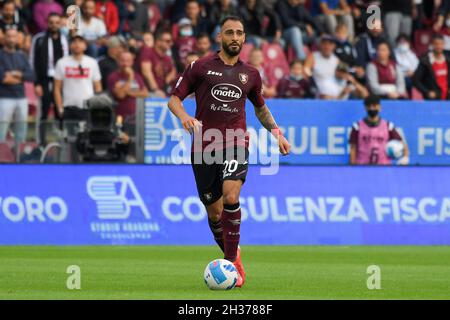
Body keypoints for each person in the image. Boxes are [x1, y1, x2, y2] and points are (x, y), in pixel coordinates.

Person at [167, 16, 291, 288]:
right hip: (203, 145)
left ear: (244, 39)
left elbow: (260, 108)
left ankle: (232, 261)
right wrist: (185, 117)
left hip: (236, 141)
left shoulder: (252, 74)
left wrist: (277, 133)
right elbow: (173, 100)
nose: (235, 37)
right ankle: (232, 256)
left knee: (231, 195)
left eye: (239, 33)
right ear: (220, 37)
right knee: (214, 213)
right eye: (229, 33)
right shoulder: (199, 67)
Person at [30, 13, 69, 146]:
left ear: (60, 24)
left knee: (60, 111)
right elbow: (32, 62)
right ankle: (41, 143)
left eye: (57, 22)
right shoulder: (39, 39)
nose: (54, 25)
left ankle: (62, 142)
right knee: (44, 112)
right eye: (51, 22)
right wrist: (36, 83)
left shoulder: (64, 39)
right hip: (44, 79)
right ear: (47, 23)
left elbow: (67, 61)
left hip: (60, 80)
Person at [54, 35, 102, 124]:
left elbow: (98, 87)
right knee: (68, 137)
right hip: (68, 107)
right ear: (70, 45)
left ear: (85, 46)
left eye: (80, 42)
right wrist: (60, 108)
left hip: (88, 107)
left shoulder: (92, 63)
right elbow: (57, 88)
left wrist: (97, 107)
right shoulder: (61, 63)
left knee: (86, 136)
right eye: (74, 42)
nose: (77, 44)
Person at [349, 95, 409, 165]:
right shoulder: (357, 127)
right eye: (369, 106)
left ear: (380, 107)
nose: (372, 108)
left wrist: (405, 158)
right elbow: (353, 148)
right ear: (365, 108)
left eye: (374, 106)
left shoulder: (388, 126)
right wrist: (352, 167)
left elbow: (402, 145)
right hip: (363, 167)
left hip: (383, 167)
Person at [0, 28, 34, 145]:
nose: (11, 39)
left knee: (21, 132)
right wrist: (20, 77)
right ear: (4, 38)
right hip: (4, 98)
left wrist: (15, 74)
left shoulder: (22, 56)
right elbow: (4, 79)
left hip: (21, 98)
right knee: (1, 131)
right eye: (9, 36)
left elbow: (31, 76)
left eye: (14, 36)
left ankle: (19, 159)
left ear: (17, 39)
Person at [108, 51, 148, 121]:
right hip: (121, 117)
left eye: (128, 61)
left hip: (138, 117)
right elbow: (120, 95)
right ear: (118, 61)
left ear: (132, 62)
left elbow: (145, 93)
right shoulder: (113, 77)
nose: (125, 64)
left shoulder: (137, 77)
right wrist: (130, 77)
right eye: (122, 61)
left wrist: (128, 92)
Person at [136, 30, 177, 97]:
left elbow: (173, 72)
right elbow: (146, 72)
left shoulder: (167, 58)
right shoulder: (147, 51)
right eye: (168, 41)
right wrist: (155, 89)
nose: (171, 43)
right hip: (147, 91)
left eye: (171, 41)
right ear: (158, 42)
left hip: (162, 91)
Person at [413, 34, 450, 100]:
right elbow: (416, 80)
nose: (439, 46)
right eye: (436, 44)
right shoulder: (425, 61)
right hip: (433, 100)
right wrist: (427, 92)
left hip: (447, 99)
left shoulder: (447, 60)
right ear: (432, 45)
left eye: (441, 44)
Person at [304, 34, 341, 99]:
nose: (327, 46)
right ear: (320, 45)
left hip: (335, 89)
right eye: (325, 44)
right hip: (319, 90)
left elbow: (340, 76)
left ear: (334, 46)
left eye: (330, 44)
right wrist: (311, 80)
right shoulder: (313, 57)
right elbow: (306, 70)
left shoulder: (336, 60)